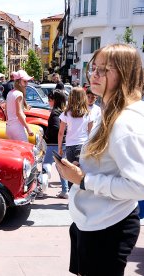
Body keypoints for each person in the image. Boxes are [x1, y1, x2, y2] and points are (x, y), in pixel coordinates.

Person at [55, 43, 144, 276]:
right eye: (94, 67)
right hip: (96, 222)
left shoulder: (125, 122)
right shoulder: (112, 112)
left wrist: (84, 180)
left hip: (107, 227)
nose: (94, 74)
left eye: (104, 69)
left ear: (124, 73)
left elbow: (139, 186)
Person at [57, 87, 93, 190]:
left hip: (69, 145)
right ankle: (80, 194)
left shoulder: (66, 113)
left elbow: (60, 132)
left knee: (70, 171)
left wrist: (60, 147)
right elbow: (90, 132)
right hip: (83, 145)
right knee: (80, 171)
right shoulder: (88, 113)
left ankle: (71, 194)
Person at [43, 89, 69, 198]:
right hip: (61, 143)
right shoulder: (64, 111)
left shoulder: (55, 113)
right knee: (61, 168)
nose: (48, 101)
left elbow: (56, 128)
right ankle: (65, 190)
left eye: (50, 99)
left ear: (55, 100)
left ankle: (41, 188)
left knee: (46, 165)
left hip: (54, 144)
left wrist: (47, 136)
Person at [5, 69, 34, 142]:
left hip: (9, 127)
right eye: (24, 81)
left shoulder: (10, 93)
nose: (27, 84)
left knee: (15, 151)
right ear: (18, 82)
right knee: (25, 150)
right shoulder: (19, 94)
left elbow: (6, 111)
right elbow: (18, 113)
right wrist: (28, 128)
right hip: (17, 127)